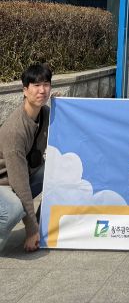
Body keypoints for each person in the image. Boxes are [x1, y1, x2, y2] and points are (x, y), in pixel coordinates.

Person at [0, 64, 51, 254]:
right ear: (24, 90)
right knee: (13, 209)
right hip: (4, 183)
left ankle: (42, 226)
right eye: (36, 85)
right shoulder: (14, 131)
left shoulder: (45, 114)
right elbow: (20, 183)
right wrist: (30, 230)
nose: (42, 90)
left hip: (18, 178)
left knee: (56, 171)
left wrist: (62, 104)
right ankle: (34, 230)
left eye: (46, 84)